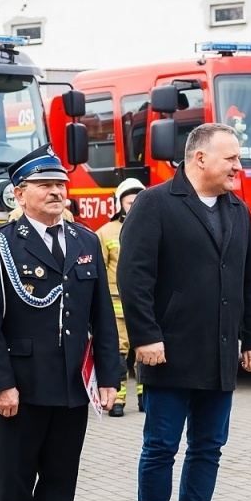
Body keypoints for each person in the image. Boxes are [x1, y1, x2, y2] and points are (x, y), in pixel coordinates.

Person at [0, 145, 121, 501]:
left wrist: (108, 375)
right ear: (20, 193)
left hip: (72, 385)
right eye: (45, 185)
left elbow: (102, 317)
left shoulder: (85, 241)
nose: (56, 192)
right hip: (22, 386)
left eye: (60, 185)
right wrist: (1, 384)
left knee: (60, 479)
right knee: (16, 481)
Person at [118, 124, 251, 501]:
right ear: (200, 159)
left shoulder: (238, 211)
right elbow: (134, 277)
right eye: (232, 159)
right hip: (169, 352)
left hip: (219, 352)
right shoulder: (155, 204)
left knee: (208, 447)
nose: (239, 168)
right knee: (161, 448)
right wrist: (146, 336)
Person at [94, 178, 144, 416]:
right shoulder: (105, 233)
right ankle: (117, 400)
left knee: (145, 353)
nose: (133, 206)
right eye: (129, 202)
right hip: (116, 308)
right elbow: (97, 272)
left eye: (137, 202)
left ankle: (147, 396)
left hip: (145, 307)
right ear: (119, 204)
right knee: (118, 354)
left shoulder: (154, 227)